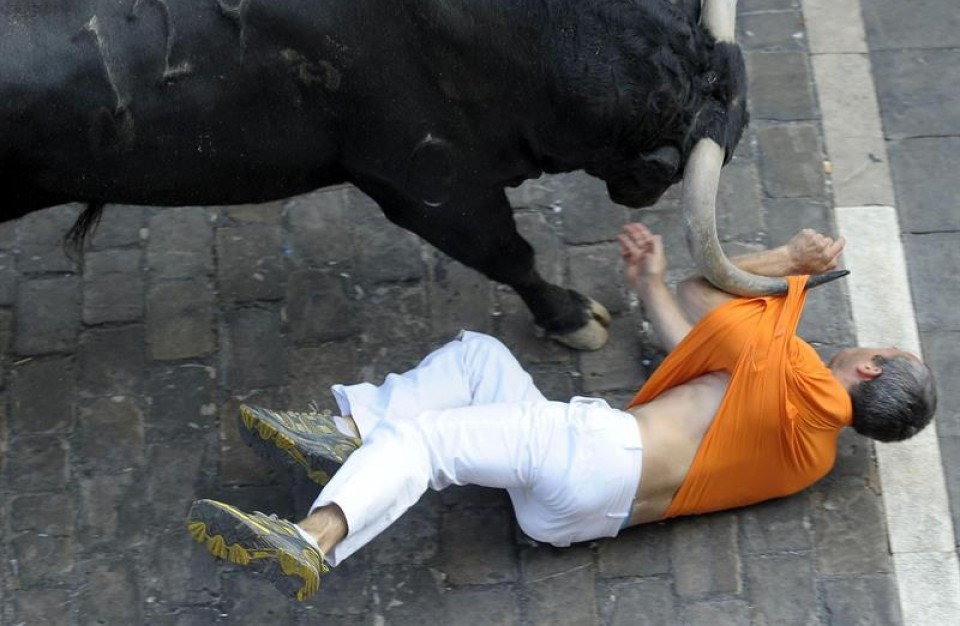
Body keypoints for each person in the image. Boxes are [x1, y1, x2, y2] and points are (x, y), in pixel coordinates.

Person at [186, 224, 937, 601]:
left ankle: (312, 539)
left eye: (878, 346)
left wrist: (786, 263)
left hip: (596, 452)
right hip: (579, 520)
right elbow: (705, 361)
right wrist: (650, 285)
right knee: (481, 359)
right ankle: (345, 438)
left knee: (425, 443)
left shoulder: (801, 370)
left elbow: (713, 295)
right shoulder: (813, 455)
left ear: (870, 368)